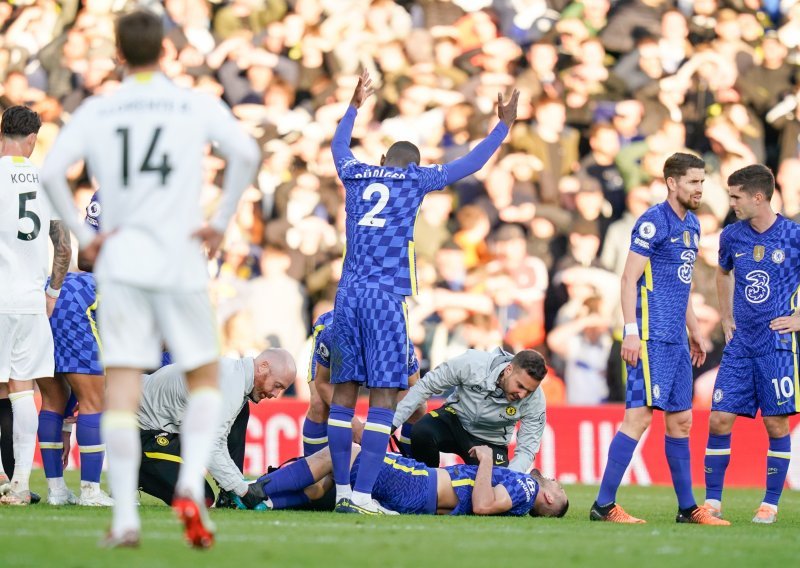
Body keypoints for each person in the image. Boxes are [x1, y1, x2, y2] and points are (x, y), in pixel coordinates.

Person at [40, 10, 260, 548]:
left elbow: (51, 173)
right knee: (205, 378)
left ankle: (125, 521)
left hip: (122, 263)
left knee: (121, 389)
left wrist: (81, 234)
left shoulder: (101, 107)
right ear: (166, 49)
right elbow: (246, 152)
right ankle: (189, 486)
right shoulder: (193, 102)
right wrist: (221, 218)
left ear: (118, 51)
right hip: (179, 257)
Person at [327, 69, 519, 515]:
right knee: (382, 398)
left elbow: (338, 147)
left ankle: (340, 492)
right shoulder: (414, 181)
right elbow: (470, 164)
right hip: (383, 297)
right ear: (412, 166)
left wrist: (354, 106)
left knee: (342, 396)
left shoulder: (356, 174)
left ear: (381, 158)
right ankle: (361, 496)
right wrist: (503, 127)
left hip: (347, 294)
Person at [590, 152, 728, 526]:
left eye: (702, 181)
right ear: (672, 182)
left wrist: (695, 330)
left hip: (677, 339)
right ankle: (603, 505)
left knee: (681, 421)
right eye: (694, 182)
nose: (700, 188)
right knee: (638, 418)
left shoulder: (694, 225)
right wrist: (630, 331)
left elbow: (678, 285)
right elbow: (628, 279)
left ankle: (687, 509)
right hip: (649, 336)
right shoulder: (653, 221)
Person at [703, 164, 800, 524]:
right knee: (718, 419)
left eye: (736, 196)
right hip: (741, 343)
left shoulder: (793, 236)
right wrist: (726, 315)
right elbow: (723, 271)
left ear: (759, 197)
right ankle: (712, 502)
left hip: (777, 345)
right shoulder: (732, 235)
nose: (732, 203)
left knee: (776, 424)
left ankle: (770, 504)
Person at [0, 105, 71, 506]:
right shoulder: (47, 181)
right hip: (29, 300)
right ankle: (21, 484)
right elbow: (63, 245)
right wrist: (52, 293)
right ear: (32, 140)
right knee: (23, 390)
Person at [137, 349, 295, 508]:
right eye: (277, 386)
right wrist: (244, 491)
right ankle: (130, 471)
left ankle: (229, 496)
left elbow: (218, 441)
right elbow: (210, 446)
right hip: (139, 431)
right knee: (201, 499)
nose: (275, 394)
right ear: (263, 367)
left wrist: (238, 484)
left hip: (164, 428)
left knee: (241, 413)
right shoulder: (230, 385)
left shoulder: (236, 377)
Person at [241, 444, 568, 518]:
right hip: (421, 491)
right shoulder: (519, 502)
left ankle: (251, 489)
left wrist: (484, 461)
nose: (555, 481)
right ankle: (266, 501)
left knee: (341, 452)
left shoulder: (528, 488)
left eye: (559, 487)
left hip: (419, 484)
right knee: (325, 482)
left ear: (549, 499)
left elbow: (483, 504)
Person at [38, 191, 113, 507]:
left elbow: (84, 258)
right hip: (88, 300)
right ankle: (90, 491)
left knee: (54, 400)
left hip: (51, 292)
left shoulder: (106, 192)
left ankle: (56, 490)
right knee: (94, 401)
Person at [392, 348, 547, 473]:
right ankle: (426, 486)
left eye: (529, 391)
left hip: (492, 442)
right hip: (454, 419)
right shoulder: (473, 363)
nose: (522, 395)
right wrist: (388, 426)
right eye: (520, 386)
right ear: (508, 370)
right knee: (422, 431)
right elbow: (425, 387)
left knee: (493, 491)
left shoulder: (536, 400)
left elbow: (527, 450)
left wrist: (509, 479)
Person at [301, 310, 422, 458]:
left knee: (419, 407)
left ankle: (410, 465)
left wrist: (384, 425)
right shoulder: (331, 334)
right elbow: (323, 383)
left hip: (375, 350)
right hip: (337, 349)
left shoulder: (398, 338)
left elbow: (414, 389)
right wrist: (354, 425)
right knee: (318, 403)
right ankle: (313, 470)